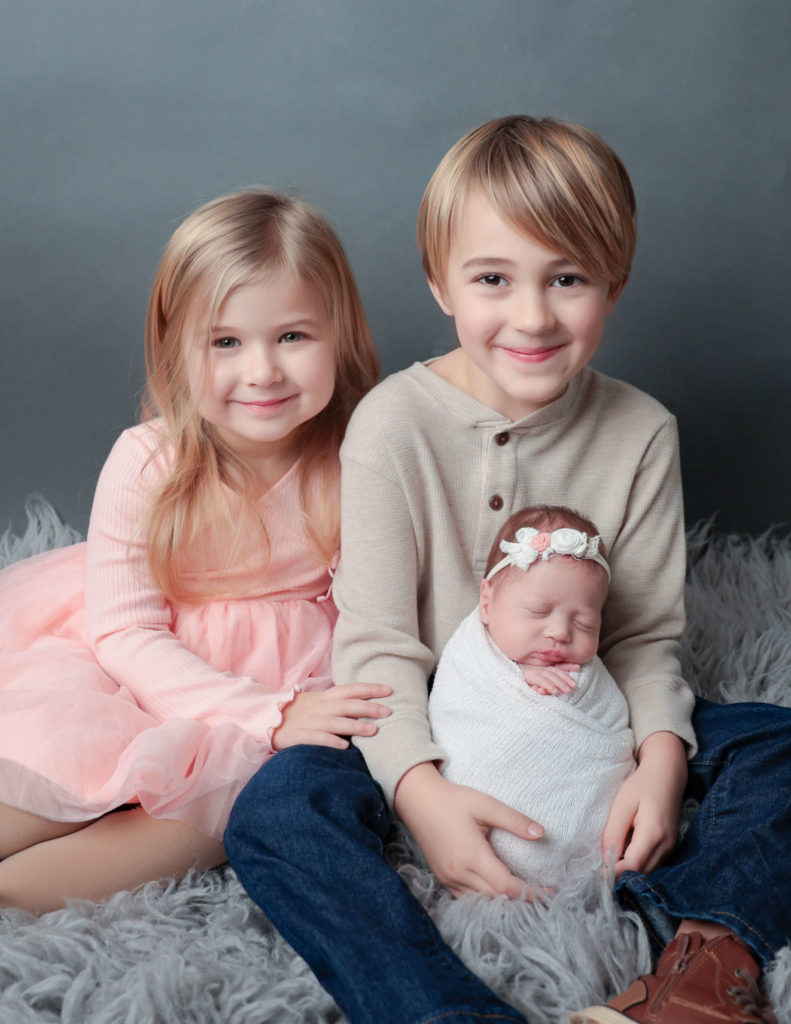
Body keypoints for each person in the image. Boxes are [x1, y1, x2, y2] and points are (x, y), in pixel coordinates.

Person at [226, 117, 788, 1024]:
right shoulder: (392, 424)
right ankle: (441, 1012)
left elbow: (645, 635)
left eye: (566, 279)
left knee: (773, 741)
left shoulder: (640, 430)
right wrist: (420, 789)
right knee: (276, 810)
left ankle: (697, 971)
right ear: (439, 283)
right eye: (493, 279)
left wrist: (658, 762)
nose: (531, 316)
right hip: (435, 723)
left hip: (585, 718)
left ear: (614, 282)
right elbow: (376, 641)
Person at [0, 188, 385, 914]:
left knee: (200, 821)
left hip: (292, 681)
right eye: (225, 342)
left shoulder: (362, 454)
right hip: (136, 663)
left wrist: (281, 717)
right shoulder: (150, 460)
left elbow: (392, 598)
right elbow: (125, 632)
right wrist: (257, 709)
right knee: (53, 761)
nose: (263, 371)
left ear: (341, 332)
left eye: (293, 337)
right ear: (176, 346)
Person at [428, 504, 635, 891]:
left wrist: (570, 693)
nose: (559, 632)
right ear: (487, 603)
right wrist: (520, 677)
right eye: (538, 611)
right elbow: (451, 712)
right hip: (469, 824)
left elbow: (615, 733)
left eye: (583, 622)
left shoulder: (585, 675)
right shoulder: (470, 658)